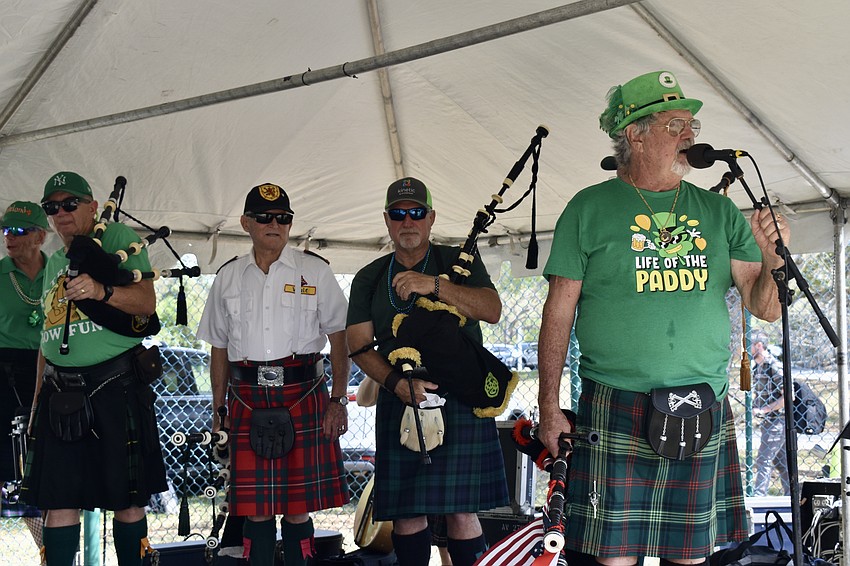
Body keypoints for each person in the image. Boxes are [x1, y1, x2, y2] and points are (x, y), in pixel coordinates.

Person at [536, 70, 790, 566]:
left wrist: (773, 257)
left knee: (690, 556)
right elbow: (558, 312)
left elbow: (765, 307)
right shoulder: (588, 208)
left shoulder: (719, 211)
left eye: (691, 124)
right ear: (635, 133)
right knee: (614, 558)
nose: (690, 136)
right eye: (675, 125)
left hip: (703, 401)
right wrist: (549, 407)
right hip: (616, 402)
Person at [346, 177, 509, 566]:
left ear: (431, 217)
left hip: (462, 390)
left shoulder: (457, 262)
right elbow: (358, 346)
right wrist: (396, 384)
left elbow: (491, 309)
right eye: (399, 213)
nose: (408, 221)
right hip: (400, 394)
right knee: (407, 509)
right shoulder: (370, 277)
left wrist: (433, 285)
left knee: (462, 509)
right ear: (387, 220)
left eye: (417, 212)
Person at [197, 183, 350, 566]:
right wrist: (219, 410)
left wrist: (338, 399)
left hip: (305, 393)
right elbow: (218, 347)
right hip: (247, 397)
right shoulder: (228, 277)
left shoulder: (314, 270)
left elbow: (341, 339)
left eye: (283, 218)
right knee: (256, 510)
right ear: (246, 222)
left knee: (298, 508)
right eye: (264, 218)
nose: (274, 224)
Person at [21, 171, 168, 565]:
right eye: (52, 207)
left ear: (91, 206)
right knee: (59, 500)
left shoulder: (118, 238)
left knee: (127, 500)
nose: (61, 213)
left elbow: (145, 304)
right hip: (59, 394)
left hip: (115, 386)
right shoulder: (53, 261)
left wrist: (101, 291)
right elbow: (47, 340)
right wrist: (37, 398)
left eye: (70, 204)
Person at [0, 202, 49, 549]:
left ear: (40, 237)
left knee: (41, 468)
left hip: (49, 373)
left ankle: (47, 550)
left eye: (18, 231)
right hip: (4, 375)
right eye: (5, 231)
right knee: (8, 466)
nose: (9, 238)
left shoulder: (60, 271)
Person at [750, 330, 789, 496]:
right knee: (782, 463)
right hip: (767, 422)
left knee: (763, 459)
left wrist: (764, 410)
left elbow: (788, 396)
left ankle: (759, 497)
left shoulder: (773, 366)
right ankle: (793, 495)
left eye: (749, 346)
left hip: (777, 421)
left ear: (759, 345)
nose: (746, 350)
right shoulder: (756, 368)